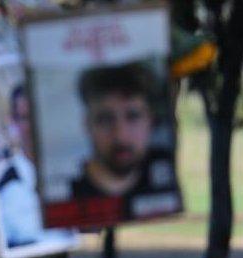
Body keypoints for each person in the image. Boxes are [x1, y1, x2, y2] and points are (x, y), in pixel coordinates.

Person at [69, 62, 179, 220]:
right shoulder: (68, 193)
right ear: (87, 124)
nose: (120, 135)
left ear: (151, 121)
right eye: (105, 119)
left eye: (133, 116)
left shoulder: (163, 175)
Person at [0, 84, 45, 247]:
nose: (33, 126)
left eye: (38, 115)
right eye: (25, 118)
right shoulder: (7, 186)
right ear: (13, 122)